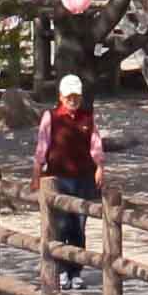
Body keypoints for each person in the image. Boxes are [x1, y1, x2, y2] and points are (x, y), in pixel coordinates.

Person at [38, 72, 103, 283]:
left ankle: (76, 270)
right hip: (58, 177)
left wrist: (100, 167)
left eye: (76, 96)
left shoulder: (87, 118)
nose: (72, 100)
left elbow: (96, 146)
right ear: (61, 97)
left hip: (83, 177)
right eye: (68, 97)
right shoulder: (51, 117)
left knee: (79, 224)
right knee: (62, 224)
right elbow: (42, 146)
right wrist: (36, 172)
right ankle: (61, 267)